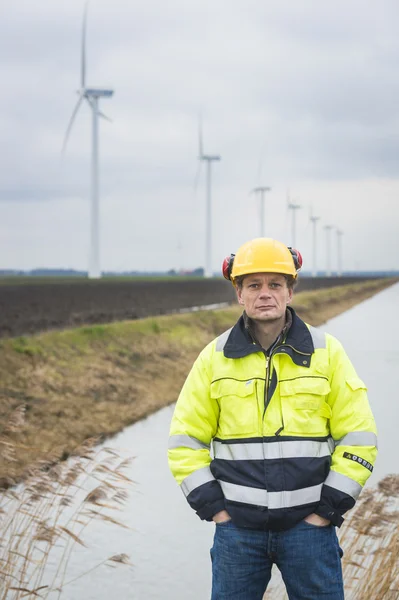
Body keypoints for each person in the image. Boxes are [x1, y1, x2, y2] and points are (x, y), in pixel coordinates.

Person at [168, 237, 377, 600]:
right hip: (238, 534)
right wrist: (217, 512)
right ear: (239, 294)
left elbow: (358, 438)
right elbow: (185, 442)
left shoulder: (327, 353)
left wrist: (326, 512)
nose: (265, 294)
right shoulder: (214, 358)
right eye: (254, 285)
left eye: (275, 284)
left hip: (310, 532)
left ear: (290, 291)